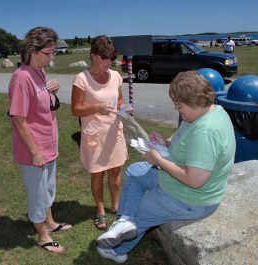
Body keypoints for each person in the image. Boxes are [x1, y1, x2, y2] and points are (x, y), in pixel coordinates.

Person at [96, 71, 236, 263]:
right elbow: (188, 144)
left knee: (140, 211)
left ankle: (118, 250)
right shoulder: (208, 111)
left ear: (195, 100)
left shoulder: (206, 132)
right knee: (135, 171)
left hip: (190, 198)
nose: (177, 110)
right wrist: (166, 143)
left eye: (179, 105)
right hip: (177, 181)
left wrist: (159, 161)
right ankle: (123, 222)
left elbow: (195, 180)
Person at [8, 26, 72, 254]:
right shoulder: (21, 78)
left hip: (48, 144)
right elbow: (18, 119)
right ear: (32, 51)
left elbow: (44, 103)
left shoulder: (40, 72)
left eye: (53, 52)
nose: (51, 57)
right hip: (34, 150)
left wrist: (52, 88)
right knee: (37, 194)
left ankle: (51, 223)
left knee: (48, 188)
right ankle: (43, 236)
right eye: (48, 53)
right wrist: (35, 152)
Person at [71, 35, 128, 230]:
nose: (108, 62)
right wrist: (97, 107)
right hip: (95, 134)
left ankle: (116, 206)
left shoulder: (116, 76)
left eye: (111, 58)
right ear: (93, 56)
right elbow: (75, 109)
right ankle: (100, 210)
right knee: (98, 174)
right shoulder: (82, 78)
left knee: (114, 170)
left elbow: (119, 101)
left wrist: (124, 108)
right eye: (104, 58)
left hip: (114, 132)